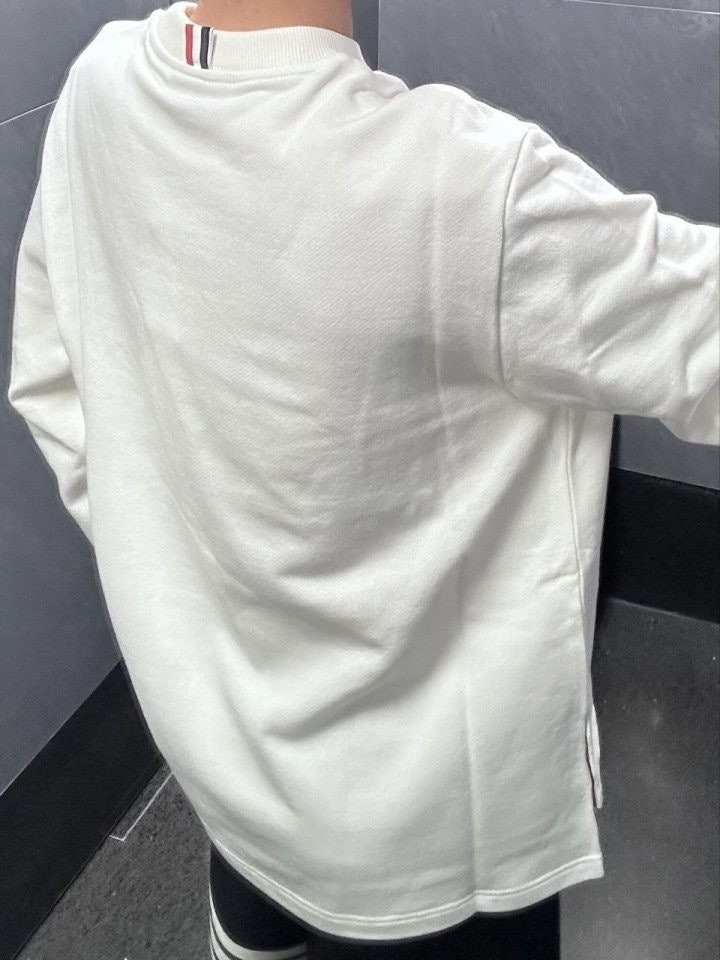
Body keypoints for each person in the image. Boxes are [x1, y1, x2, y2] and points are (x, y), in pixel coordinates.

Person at [7, 0, 718, 958]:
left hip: (224, 769)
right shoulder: (467, 184)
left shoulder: (101, 91)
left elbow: (50, 382)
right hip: (425, 854)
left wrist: (173, 583)